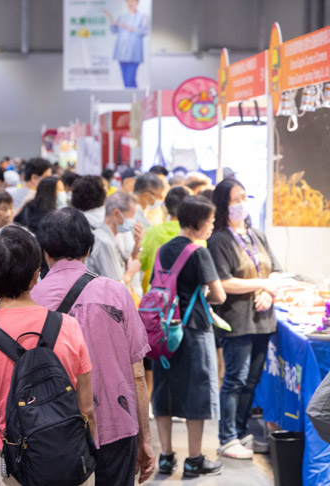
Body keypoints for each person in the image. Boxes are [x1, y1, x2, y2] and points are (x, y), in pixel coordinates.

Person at [0, 225, 96, 486]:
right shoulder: (68, 326)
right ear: (35, 276)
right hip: (67, 457)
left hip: (7, 461)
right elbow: (86, 405)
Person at [32, 209, 155, 486]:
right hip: (116, 424)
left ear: (45, 252)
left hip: (52, 426)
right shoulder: (117, 293)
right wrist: (145, 439)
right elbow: (137, 374)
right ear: (89, 249)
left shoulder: (33, 298)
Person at [152, 197, 227, 477]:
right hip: (193, 329)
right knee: (197, 392)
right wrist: (205, 294)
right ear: (197, 221)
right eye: (210, 220)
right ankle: (194, 460)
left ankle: (165, 457)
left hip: (163, 330)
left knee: (164, 391)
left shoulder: (163, 250)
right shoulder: (199, 253)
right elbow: (219, 295)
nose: (212, 226)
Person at [208, 179, 281, 459]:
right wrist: (262, 284)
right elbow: (224, 282)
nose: (241, 203)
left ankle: (241, 433)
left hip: (263, 319)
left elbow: (276, 271)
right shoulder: (219, 240)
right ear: (223, 204)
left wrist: (268, 292)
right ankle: (227, 438)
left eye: (244, 197)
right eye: (235, 199)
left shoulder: (257, 235)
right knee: (235, 380)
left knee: (252, 380)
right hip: (237, 320)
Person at [139, 186, 194, 293]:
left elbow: (142, 263)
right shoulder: (194, 235)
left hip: (157, 296)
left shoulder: (152, 232)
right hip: (186, 296)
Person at [86, 192, 141, 290]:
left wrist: (137, 246)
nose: (134, 221)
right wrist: (130, 273)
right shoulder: (105, 242)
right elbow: (114, 287)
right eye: (132, 215)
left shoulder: (107, 237)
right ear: (116, 214)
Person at [103, 0, 149, 89]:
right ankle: (131, 98)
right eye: (128, 0)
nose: (130, 3)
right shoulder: (122, 17)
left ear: (137, 1)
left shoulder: (142, 17)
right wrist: (110, 18)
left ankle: (136, 98)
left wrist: (126, 26)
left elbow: (143, 31)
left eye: (133, 0)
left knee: (130, 79)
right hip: (122, 53)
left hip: (134, 53)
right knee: (125, 80)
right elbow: (114, 31)